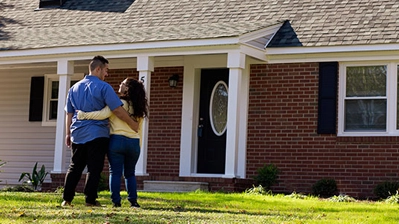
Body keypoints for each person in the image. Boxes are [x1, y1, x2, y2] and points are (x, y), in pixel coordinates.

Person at [62, 56, 139, 207]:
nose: (107, 74)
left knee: (74, 167)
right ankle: (90, 200)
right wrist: (132, 123)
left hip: (77, 133)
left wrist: (68, 133)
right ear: (98, 69)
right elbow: (117, 109)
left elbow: (69, 113)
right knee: (94, 168)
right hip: (98, 134)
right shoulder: (104, 87)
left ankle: (67, 199)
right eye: (106, 70)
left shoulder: (74, 88)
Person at [77, 78, 148, 208]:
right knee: (130, 173)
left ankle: (116, 202)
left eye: (123, 83)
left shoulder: (118, 103)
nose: (119, 84)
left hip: (117, 140)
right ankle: (133, 202)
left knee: (115, 172)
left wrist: (83, 115)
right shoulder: (140, 107)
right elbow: (140, 130)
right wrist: (139, 146)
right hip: (134, 142)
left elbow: (101, 114)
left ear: (127, 89)